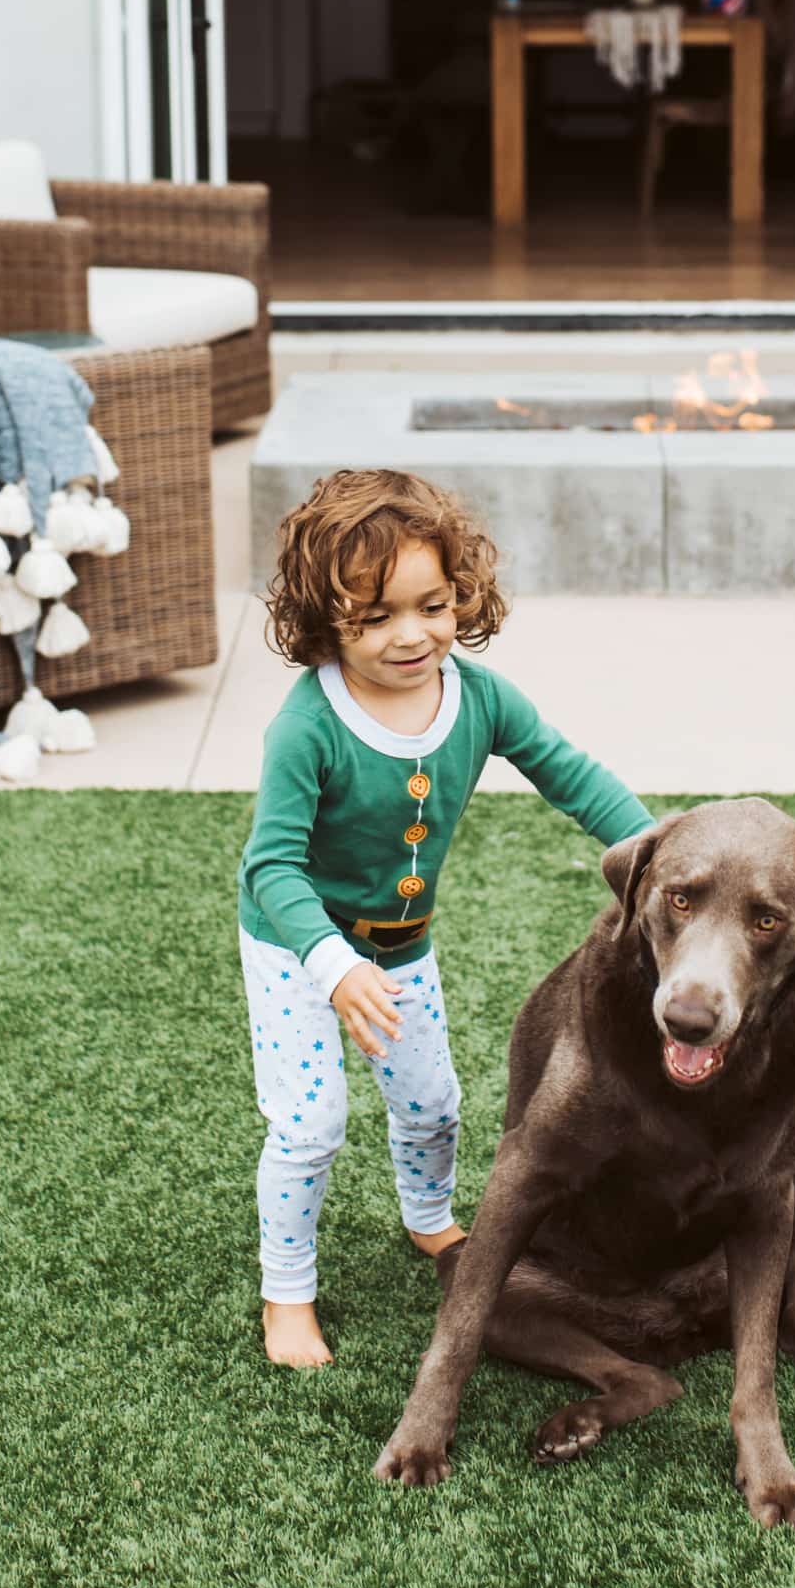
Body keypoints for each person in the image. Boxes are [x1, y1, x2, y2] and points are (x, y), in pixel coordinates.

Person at [238, 465, 653, 1367]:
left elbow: (571, 774)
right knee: (309, 1127)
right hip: (297, 949)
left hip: (398, 951)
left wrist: (660, 855)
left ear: (461, 591)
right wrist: (333, 967)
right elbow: (270, 866)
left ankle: (430, 1223)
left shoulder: (481, 699)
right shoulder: (307, 727)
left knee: (432, 1105)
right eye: (374, 616)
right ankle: (287, 1293)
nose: (411, 635)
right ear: (323, 621)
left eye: (432, 605)